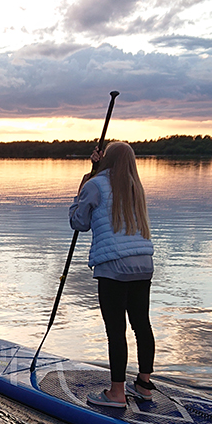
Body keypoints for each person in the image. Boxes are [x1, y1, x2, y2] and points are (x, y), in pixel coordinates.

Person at [68, 141, 155, 406]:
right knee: (141, 325)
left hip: (113, 266)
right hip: (143, 264)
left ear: (107, 159)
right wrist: (94, 171)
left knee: (116, 330)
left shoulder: (96, 185)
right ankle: (144, 384)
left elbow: (78, 222)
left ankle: (116, 393)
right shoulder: (134, 187)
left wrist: (83, 186)